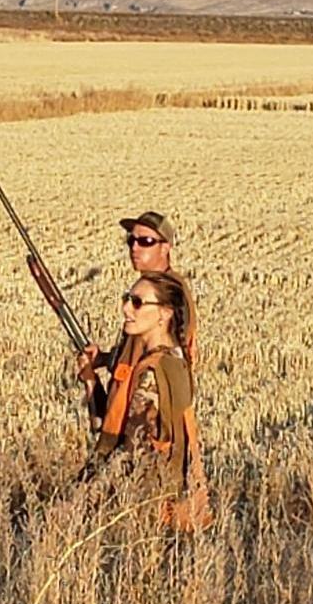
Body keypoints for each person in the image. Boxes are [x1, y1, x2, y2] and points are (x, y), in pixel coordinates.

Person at [76, 271, 212, 531]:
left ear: (165, 313)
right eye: (127, 299)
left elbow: (130, 453)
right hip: (166, 500)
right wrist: (90, 379)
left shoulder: (151, 373)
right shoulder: (175, 361)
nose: (127, 308)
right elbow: (116, 427)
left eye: (137, 302)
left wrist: (82, 504)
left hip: (143, 511)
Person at [82, 211, 197, 431]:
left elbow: (162, 354)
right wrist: (106, 359)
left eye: (145, 241)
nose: (134, 248)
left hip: (144, 421)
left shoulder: (169, 296)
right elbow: (134, 353)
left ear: (166, 248)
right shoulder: (147, 291)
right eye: (131, 240)